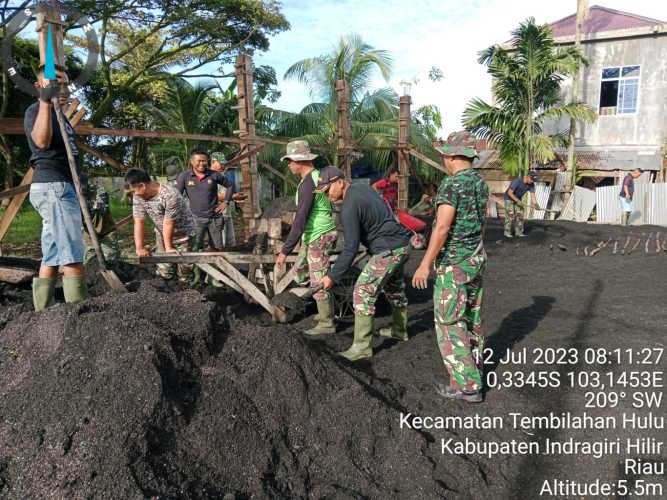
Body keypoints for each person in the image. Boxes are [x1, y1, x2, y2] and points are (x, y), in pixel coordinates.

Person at [412, 131, 489, 403]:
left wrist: (425, 263)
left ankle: (467, 386)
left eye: (444, 154)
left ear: (453, 156)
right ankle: (474, 372)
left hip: (454, 265)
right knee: (472, 319)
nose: (443, 158)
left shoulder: (452, 184)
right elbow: (479, 225)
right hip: (475, 260)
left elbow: (442, 226)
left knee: (449, 323)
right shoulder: (481, 184)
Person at [318, 166, 412, 361]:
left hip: (388, 250)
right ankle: (399, 329)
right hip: (402, 244)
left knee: (362, 292)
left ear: (339, 182)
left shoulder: (349, 206)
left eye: (328, 191)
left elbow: (350, 248)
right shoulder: (363, 188)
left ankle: (361, 347)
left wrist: (332, 276)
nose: (327, 196)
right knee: (394, 287)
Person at [25, 69, 87, 311]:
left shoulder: (61, 116)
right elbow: (40, 142)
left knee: (52, 253)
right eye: (55, 84)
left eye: (65, 84)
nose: (63, 89)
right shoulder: (36, 111)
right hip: (55, 188)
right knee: (72, 252)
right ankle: (81, 317)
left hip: (61, 188)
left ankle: (43, 314)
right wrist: (43, 101)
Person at [275, 141, 338, 335]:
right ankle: (323, 310)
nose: (288, 165)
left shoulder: (308, 183)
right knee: (303, 272)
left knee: (319, 278)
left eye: (289, 161)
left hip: (318, 234)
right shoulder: (318, 176)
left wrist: (285, 251)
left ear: (298, 161)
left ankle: (327, 323)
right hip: (318, 232)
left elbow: (300, 218)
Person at [125, 168, 196, 283]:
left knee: (185, 270)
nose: (134, 194)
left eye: (134, 191)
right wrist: (139, 247)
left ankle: (187, 291)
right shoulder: (138, 196)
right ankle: (166, 293)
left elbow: (169, 222)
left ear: (142, 185)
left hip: (183, 235)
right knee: (164, 269)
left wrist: (168, 248)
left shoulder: (170, 194)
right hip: (162, 234)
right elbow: (139, 220)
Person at [175, 150, 243, 250]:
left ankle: (217, 265)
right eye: (199, 161)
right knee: (195, 247)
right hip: (195, 219)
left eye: (204, 161)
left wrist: (226, 202)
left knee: (217, 247)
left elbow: (230, 185)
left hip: (214, 219)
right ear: (192, 162)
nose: (202, 163)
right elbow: (177, 196)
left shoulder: (214, 175)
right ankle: (196, 265)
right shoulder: (184, 176)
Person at [210, 152, 237, 247]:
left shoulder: (222, 176)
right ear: (213, 162)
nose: (222, 165)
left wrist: (234, 198)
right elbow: (211, 196)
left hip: (227, 214)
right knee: (220, 245)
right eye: (220, 163)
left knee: (231, 244)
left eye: (223, 163)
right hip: (217, 216)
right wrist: (232, 197)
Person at [503, 171, 538, 238]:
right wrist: (517, 201)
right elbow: (509, 193)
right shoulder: (517, 181)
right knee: (510, 215)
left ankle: (519, 232)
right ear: (527, 176)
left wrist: (536, 204)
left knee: (520, 214)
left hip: (518, 199)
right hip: (508, 199)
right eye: (532, 179)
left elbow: (533, 196)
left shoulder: (531, 184)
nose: (532, 181)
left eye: (534, 180)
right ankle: (507, 232)